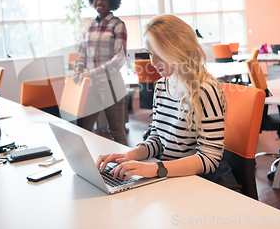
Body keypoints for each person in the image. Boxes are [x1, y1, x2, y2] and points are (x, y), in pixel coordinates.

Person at [96, 15, 236, 184]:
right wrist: (128, 155)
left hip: (206, 182)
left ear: (179, 51)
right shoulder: (162, 85)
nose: (153, 63)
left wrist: (156, 169)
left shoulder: (205, 91)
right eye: (150, 54)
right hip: (172, 175)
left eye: (159, 55)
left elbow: (209, 159)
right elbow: (158, 139)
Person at [73, 0, 128, 146]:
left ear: (111, 1)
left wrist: (93, 72)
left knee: (116, 131)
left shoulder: (118, 25)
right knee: (83, 129)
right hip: (89, 85)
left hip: (111, 85)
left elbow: (120, 58)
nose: (99, 2)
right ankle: (86, 166)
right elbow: (82, 51)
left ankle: (130, 168)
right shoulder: (88, 25)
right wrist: (79, 69)